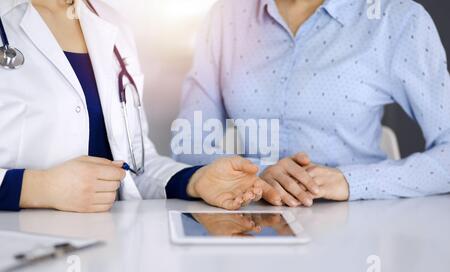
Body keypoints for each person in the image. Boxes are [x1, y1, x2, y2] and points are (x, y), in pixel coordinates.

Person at [0, 0, 280, 212]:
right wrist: (36, 188)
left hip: (114, 247)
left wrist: (194, 181)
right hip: (21, 249)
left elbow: (137, 166)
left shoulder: (112, 25)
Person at [175, 0, 450, 207]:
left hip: (358, 225)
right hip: (252, 221)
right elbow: (188, 146)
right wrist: (257, 172)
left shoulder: (397, 20)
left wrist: (351, 181)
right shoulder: (226, 15)